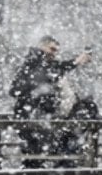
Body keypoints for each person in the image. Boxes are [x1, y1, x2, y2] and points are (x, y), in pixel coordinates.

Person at [9, 35, 92, 166]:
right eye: (52, 49)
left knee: (37, 156)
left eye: (56, 51)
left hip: (37, 119)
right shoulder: (35, 62)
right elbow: (49, 72)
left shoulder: (40, 64)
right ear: (42, 46)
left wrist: (75, 62)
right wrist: (75, 62)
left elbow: (53, 70)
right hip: (33, 118)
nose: (54, 53)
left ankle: (43, 173)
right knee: (37, 155)